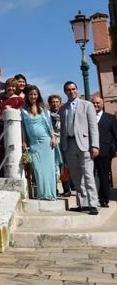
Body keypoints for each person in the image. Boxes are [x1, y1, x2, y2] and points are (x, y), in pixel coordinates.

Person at [59, 81, 100, 215]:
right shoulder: (63, 108)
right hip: (69, 145)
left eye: (73, 89)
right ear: (65, 92)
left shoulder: (87, 105)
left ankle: (93, 204)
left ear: (77, 90)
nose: (71, 91)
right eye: (68, 90)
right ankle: (83, 204)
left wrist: (95, 145)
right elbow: (62, 129)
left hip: (85, 144)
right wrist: (63, 148)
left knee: (88, 175)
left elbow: (93, 126)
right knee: (76, 177)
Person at [21, 85, 57, 200]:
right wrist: (24, 141)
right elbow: (23, 128)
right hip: (33, 143)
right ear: (27, 95)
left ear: (38, 95)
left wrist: (53, 137)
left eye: (35, 94)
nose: (33, 96)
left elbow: (50, 125)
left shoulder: (44, 110)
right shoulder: (23, 111)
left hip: (46, 142)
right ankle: (42, 194)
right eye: (31, 94)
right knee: (38, 169)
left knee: (49, 169)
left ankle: (50, 195)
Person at [91, 95, 117, 207]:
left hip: (105, 152)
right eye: (93, 103)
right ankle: (91, 198)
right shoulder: (87, 117)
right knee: (89, 176)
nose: (95, 105)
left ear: (102, 104)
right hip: (89, 151)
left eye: (98, 103)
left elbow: (115, 134)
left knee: (104, 176)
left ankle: (104, 199)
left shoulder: (110, 118)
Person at [48, 94, 70, 197]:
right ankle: (54, 189)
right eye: (52, 102)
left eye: (56, 102)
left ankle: (66, 189)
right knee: (53, 166)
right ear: (49, 103)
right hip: (51, 142)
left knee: (64, 166)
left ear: (60, 103)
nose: (55, 104)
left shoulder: (64, 113)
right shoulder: (46, 114)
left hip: (63, 141)